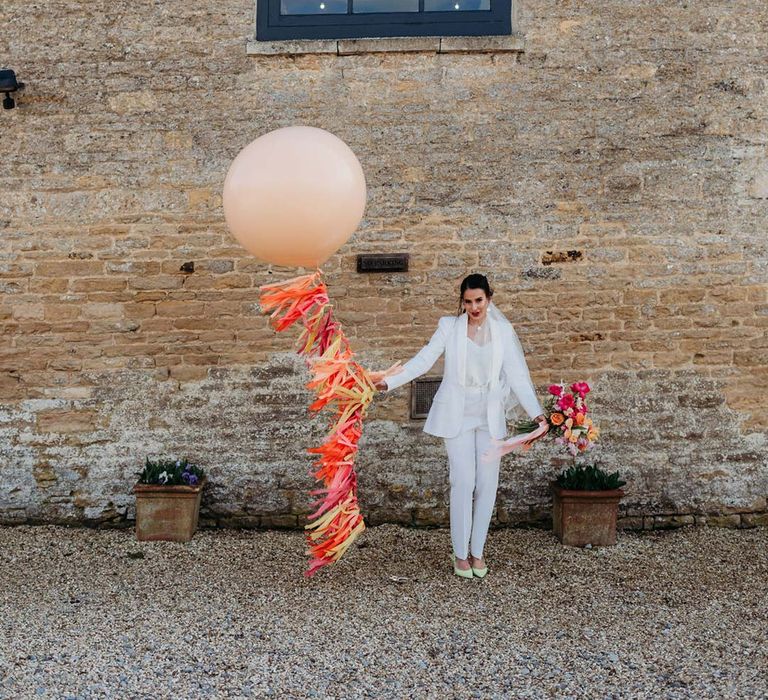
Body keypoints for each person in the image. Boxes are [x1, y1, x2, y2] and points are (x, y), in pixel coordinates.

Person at [371, 274, 548, 579]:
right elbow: (424, 360)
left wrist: (538, 415)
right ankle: (460, 554)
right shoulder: (449, 327)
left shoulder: (503, 331)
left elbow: (518, 375)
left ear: (488, 298)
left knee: (488, 485)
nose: (474, 307)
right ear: (462, 302)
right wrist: (388, 382)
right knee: (463, 482)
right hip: (457, 415)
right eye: (468, 301)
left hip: (489, 417)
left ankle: (478, 551)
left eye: (479, 300)